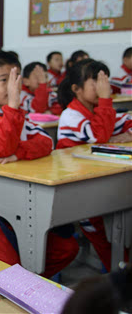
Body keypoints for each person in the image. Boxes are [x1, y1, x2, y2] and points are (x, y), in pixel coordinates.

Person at [0, 51, 78, 278]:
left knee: (67, 249)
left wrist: (18, 154)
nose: (13, 87)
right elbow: (0, 148)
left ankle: (28, 285)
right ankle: (16, 288)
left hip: (18, 198)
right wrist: (13, 105)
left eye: (16, 80)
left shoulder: (16, 114)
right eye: (4, 80)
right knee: (9, 269)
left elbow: (45, 142)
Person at [56, 59, 132, 271]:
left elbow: (125, 121)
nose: (102, 87)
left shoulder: (97, 111)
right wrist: (106, 99)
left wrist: (126, 134)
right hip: (78, 193)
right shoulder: (70, 116)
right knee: (107, 236)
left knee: (120, 224)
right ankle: (118, 279)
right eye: (97, 82)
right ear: (76, 89)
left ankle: (120, 270)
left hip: (100, 186)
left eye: (104, 81)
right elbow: (99, 135)